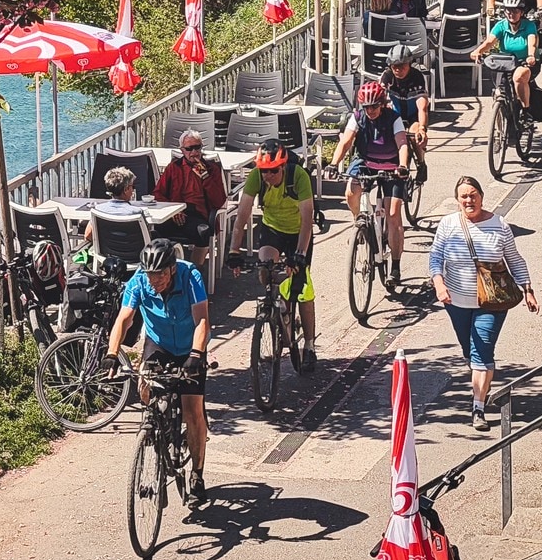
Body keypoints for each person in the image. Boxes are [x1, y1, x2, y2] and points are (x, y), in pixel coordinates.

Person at [428, 177, 537, 430]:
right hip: (456, 301)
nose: (469, 200)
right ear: (457, 200)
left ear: (481, 197)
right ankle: (483, 383)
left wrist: (528, 290)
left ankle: (478, 407)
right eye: (464, 196)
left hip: (492, 302)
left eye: (473, 195)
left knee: (482, 351)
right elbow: (436, 257)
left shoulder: (499, 225)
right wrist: (439, 283)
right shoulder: (448, 224)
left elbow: (514, 259)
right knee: (469, 350)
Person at [106, 239, 211, 503]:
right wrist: (111, 354)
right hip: (159, 343)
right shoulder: (139, 282)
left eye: (161, 274)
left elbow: (202, 320)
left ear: (172, 269)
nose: (155, 280)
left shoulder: (190, 276)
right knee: (144, 385)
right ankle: (157, 431)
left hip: (190, 346)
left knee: (192, 410)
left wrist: (196, 355)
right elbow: (124, 318)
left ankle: (197, 475)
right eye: (150, 274)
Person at [332, 55, 427, 284]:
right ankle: (359, 223)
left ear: (382, 104)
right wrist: (333, 164)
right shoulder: (358, 118)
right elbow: (346, 141)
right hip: (366, 161)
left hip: (392, 166)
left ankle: (395, 266)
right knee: (350, 192)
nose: (371, 110)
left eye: (374, 106)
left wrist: (403, 166)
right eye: (366, 107)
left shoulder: (393, 118)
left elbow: (402, 143)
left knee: (393, 215)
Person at [228, 140, 319, 368]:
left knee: (301, 287)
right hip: (273, 229)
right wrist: (233, 251)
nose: (268, 176)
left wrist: (300, 254)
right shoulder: (257, 177)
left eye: (273, 171)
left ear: (283, 166)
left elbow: (307, 220)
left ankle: (309, 345)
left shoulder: (298, 177)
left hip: (298, 232)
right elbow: (242, 216)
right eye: (264, 171)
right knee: (264, 269)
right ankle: (278, 309)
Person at [153, 130, 227, 273]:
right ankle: (163, 269)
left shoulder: (212, 169)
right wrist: (172, 211)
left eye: (197, 147)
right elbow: (158, 193)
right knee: (155, 231)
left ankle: (192, 271)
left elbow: (219, 201)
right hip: (174, 213)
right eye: (189, 149)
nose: (194, 152)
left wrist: (205, 177)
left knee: (203, 232)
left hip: (198, 213)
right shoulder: (174, 167)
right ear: (182, 150)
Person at [471, 0, 542, 113]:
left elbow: (532, 42)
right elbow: (489, 42)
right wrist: (478, 51)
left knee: (519, 77)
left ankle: (526, 111)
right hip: (506, 63)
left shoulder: (529, 26)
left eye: (515, 11)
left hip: (525, 62)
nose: (511, 14)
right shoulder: (501, 25)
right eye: (508, 10)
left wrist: (531, 56)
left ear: (521, 12)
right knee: (500, 87)